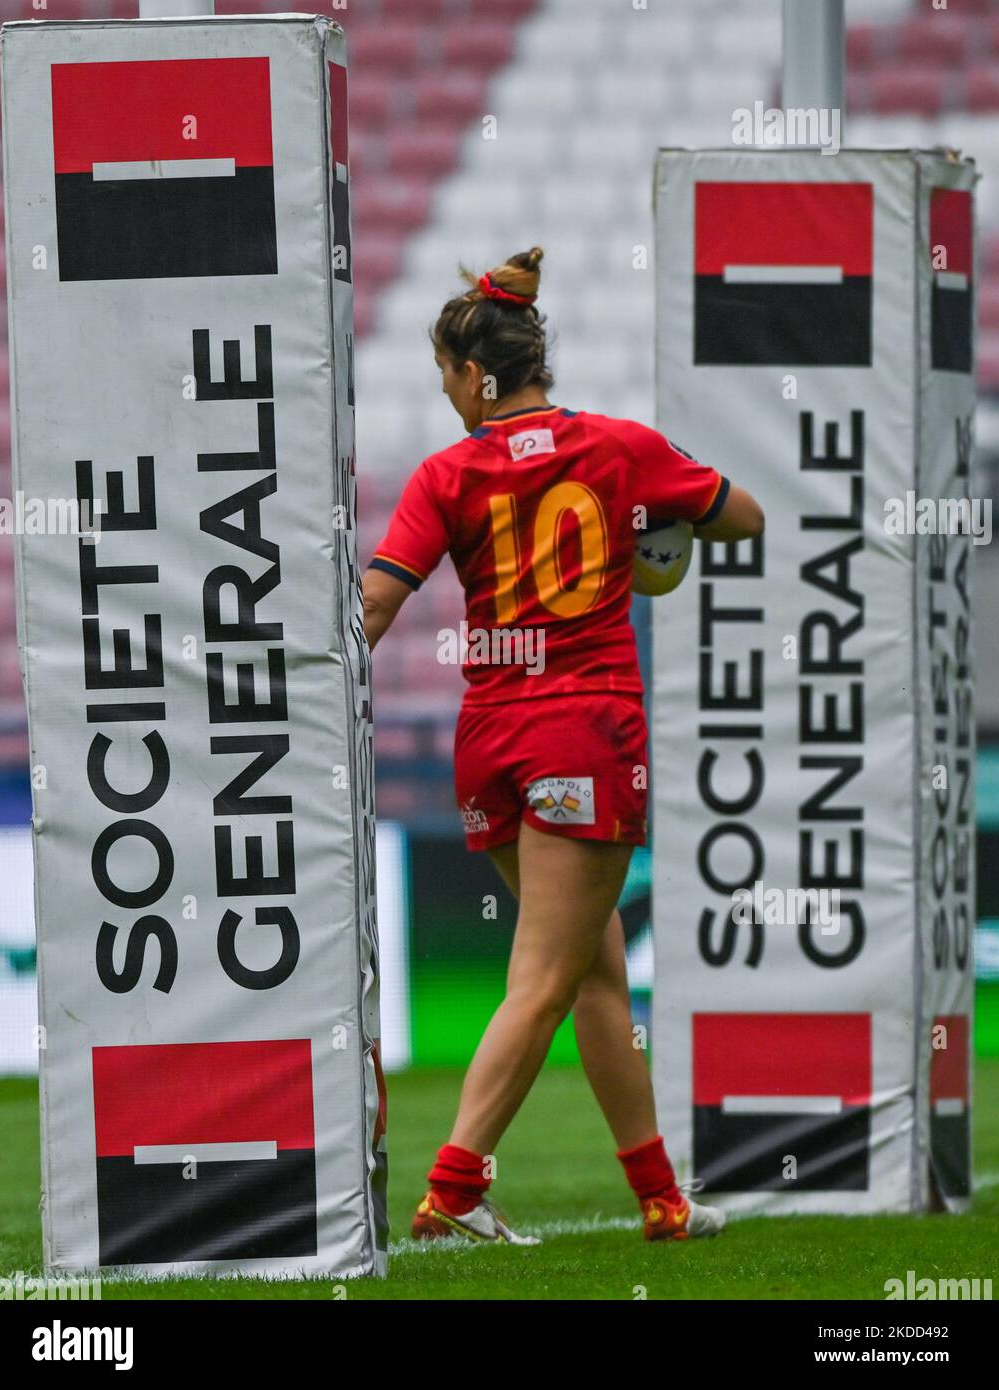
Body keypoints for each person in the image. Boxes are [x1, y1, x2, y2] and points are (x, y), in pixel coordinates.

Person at [362, 246, 765, 1244]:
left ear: (472, 373)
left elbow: (373, 605)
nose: (449, 395)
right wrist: (662, 536)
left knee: (593, 973)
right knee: (547, 976)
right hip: (581, 733)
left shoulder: (444, 473)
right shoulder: (623, 448)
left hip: (490, 738)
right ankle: (453, 1189)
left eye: (446, 377)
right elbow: (744, 519)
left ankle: (661, 1200)